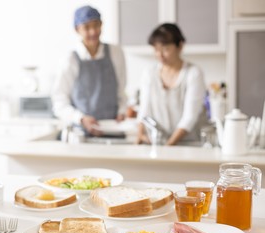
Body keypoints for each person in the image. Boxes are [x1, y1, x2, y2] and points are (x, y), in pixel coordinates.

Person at [51, 5, 127, 136]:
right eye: (87, 27)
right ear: (77, 29)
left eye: (96, 25)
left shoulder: (116, 53)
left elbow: (121, 91)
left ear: (101, 24)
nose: (93, 32)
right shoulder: (70, 60)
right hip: (81, 134)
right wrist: (80, 118)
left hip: (113, 131)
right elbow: (59, 102)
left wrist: (121, 112)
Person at [136, 23, 207, 145]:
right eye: (156, 49)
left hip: (189, 144)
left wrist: (168, 146)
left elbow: (189, 118)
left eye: (165, 49)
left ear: (180, 46)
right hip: (158, 143)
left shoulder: (193, 73)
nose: (160, 55)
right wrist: (140, 135)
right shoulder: (149, 73)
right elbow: (144, 110)